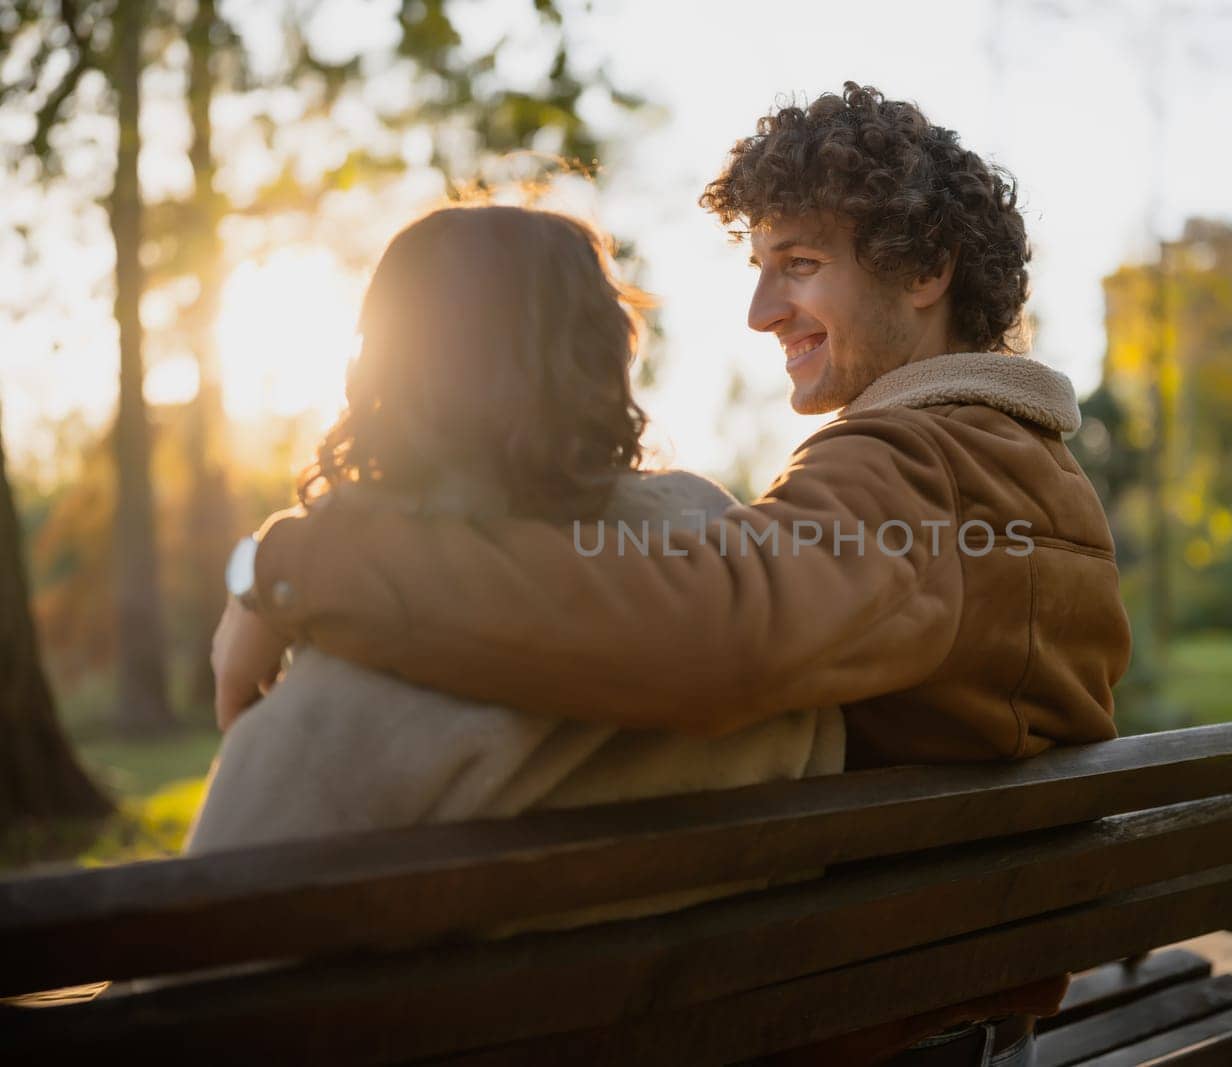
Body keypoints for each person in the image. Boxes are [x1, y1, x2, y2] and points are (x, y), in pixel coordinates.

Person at [214, 84, 1132, 1064]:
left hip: (892, 1026)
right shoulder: (1022, 463)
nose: (759, 309)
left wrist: (287, 563)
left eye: (801, 265)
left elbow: (714, 630)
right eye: (759, 268)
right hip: (962, 995)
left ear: (928, 272)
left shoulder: (915, 469)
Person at [189, 205, 843, 872]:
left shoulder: (337, 696)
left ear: (383, 364)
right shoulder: (715, 542)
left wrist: (271, 567)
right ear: (602, 350)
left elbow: (208, 942)